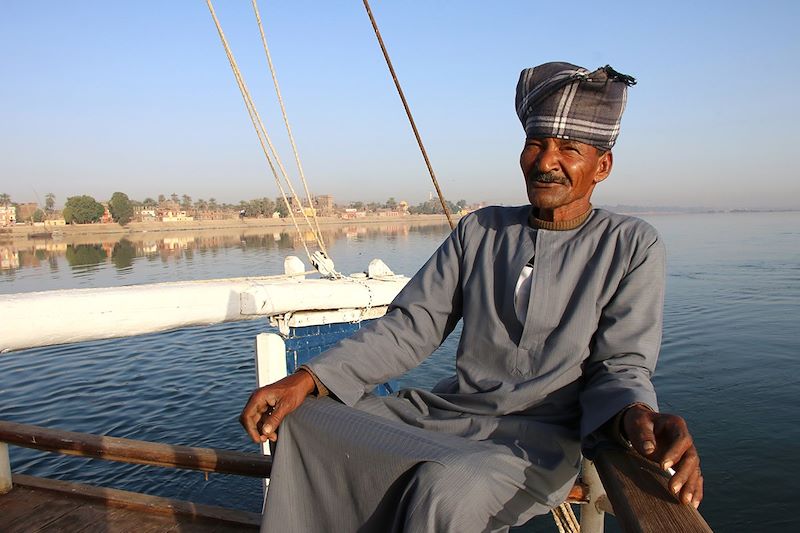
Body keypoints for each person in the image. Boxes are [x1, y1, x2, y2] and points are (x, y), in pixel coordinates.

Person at [240, 61, 703, 532]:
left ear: (601, 166)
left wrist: (637, 416)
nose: (545, 162)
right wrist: (307, 378)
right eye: (535, 145)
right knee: (305, 421)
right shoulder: (480, 229)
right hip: (448, 416)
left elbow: (621, 365)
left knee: (447, 487)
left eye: (568, 148)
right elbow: (409, 327)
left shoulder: (631, 244)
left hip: (536, 442)